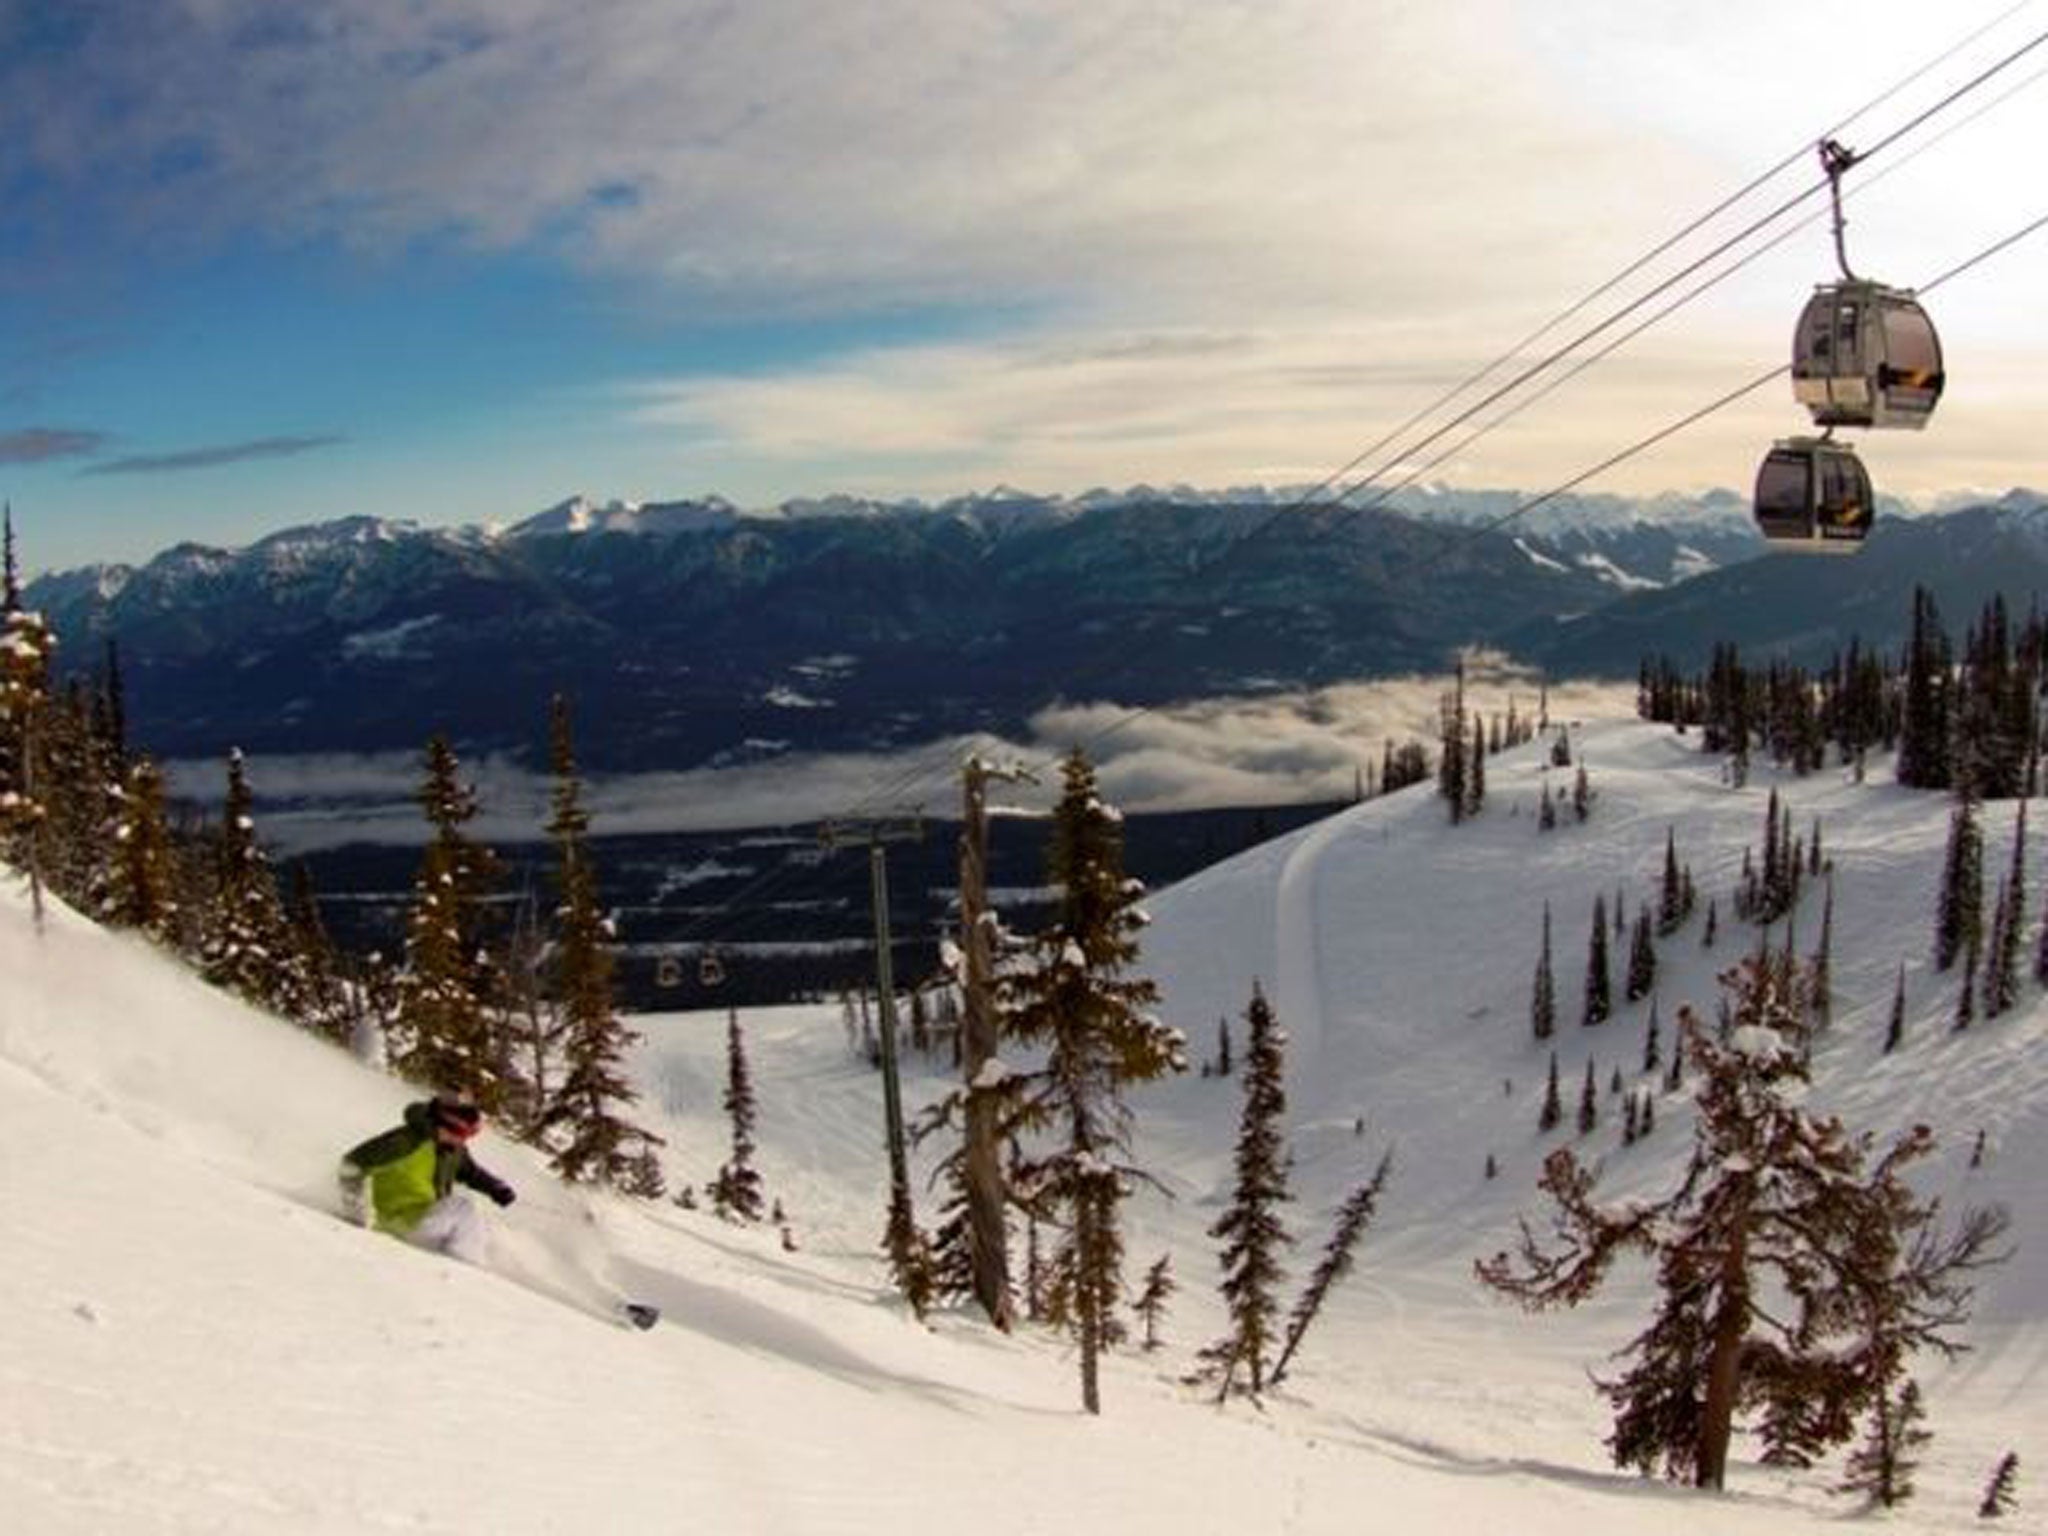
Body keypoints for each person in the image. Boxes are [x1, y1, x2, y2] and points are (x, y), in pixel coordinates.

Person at [339, 1095, 516, 1264]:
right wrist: (355, 1213)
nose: (463, 1140)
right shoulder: (405, 1142)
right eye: (463, 1134)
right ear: (444, 1124)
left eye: (469, 1135)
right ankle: (464, 1273)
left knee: (479, 1226)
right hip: (396, 1222)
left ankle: (461, 1263)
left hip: (424, 1219)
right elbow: (352, 1164)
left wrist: (496, 1188)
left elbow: (470, 1172)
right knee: (462, 1209)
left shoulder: (451, 1149)